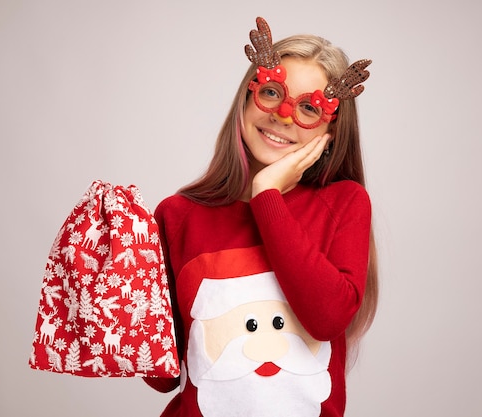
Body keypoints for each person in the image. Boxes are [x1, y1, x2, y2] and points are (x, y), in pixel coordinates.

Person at [144, 16, 378, 417]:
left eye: (309, 107)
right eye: (271, 92)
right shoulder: (178, 215)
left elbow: (326, 319)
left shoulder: (345, 204)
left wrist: (266, 194)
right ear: (247, 98)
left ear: (333, 132)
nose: (284, 116)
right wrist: (121, 289)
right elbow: (163, 375)